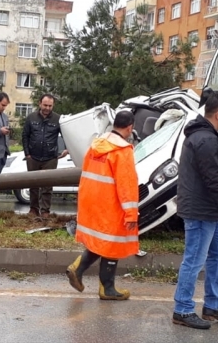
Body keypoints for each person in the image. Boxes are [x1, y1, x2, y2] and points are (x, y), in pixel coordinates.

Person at [171, 89, 218, 329]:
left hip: (208, 210)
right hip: (201, 210)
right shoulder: (206, 139)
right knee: (194, 259)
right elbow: (213, 179)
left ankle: (212, 305)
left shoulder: (206, 135)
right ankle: (182, 309)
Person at [66, 110, 138, 301]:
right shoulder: (122, 151)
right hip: (110, 205)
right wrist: (131, 213)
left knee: (102, 242)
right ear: (130, 127)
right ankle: (107, 288)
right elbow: (127, 185)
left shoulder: (97, 144)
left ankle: (78, 268)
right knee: (112, 244)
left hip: (92, 202)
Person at [22, 93, 67, 219]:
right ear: (40, 104)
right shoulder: (31, 118)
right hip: (33, 156)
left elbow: (66, 135)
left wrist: (67, 149)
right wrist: (27, 154)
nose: (47, 108)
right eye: (45, 105)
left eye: (50, 106)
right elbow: (25, 136)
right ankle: (33, 209)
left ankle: (45, 211)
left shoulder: (58, 119)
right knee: (33, 184)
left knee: (47, 185)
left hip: (50, 157)